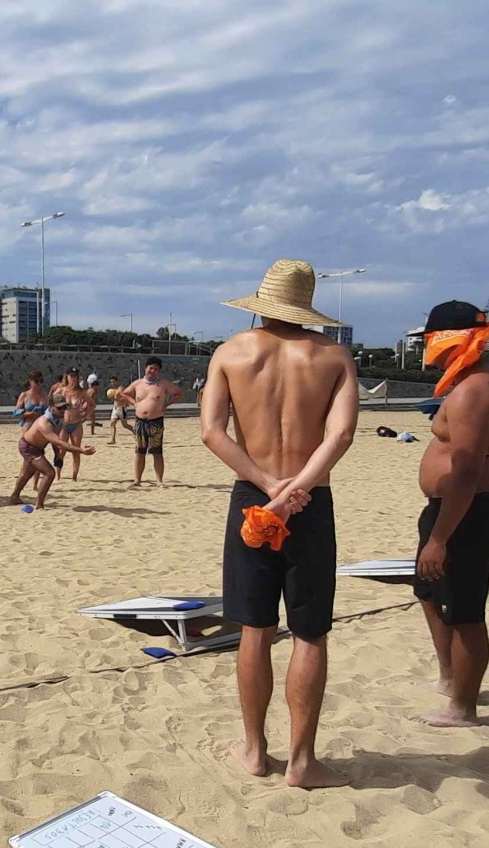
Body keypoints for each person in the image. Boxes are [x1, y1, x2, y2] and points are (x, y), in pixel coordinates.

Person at [203, 258, 358, 788]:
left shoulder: (231, 353)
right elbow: (338, 437)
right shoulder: (334, 356)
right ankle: (302, 762)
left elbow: (212, 433)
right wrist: (298, 487)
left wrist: (269, 488)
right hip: (311, 500)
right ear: (306, 305)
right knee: (310, 633)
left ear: (261, 304)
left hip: (254, 493)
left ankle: (253, 749)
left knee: (255, 627)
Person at [411, 302, 489, 727]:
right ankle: (452, 678)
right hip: (456, 508)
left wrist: (439, 537)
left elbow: (468, 469)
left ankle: (464, 706)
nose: (426, 348)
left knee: (465, 609)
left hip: (468, 510)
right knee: (430, 593)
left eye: (429, 338)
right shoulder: (481, 381)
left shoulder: (476, 389)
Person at [9, 398, 96, 509]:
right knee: (49, 473)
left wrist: (57, 455)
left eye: (65, 407)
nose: (62, 410)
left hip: (36, 447)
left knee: (27, 473)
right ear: (51, 407)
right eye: (59, 408)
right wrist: (80, 450)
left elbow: (56, 442)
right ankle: (39, 505)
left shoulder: (58, 420)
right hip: (28, 447)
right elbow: (58, 442)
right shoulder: (44, 422)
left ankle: (14, 497)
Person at [120, 357, 185, 486]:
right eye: (151, 368)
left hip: (156, 421)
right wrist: (135, 403)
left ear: (159, 371)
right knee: (139, 451)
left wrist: (166, 404)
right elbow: (125, 393)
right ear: (146, 368)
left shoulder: (163, 384)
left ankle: (159, 480)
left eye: (156, 369)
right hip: (140, 421)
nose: (153, 371)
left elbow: (179, 394)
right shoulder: (138, 383)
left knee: (157, 451)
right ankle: (137, 480)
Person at [59, 367, 94, 482]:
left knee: (76, 450)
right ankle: (58, 475)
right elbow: (50, 400)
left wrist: (85, 415)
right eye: (71, 376)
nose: (74, 379)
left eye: (75, 376)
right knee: (61, 450)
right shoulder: (62, 390)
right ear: (67, 377)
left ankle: (74, 476)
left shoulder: (81, 392)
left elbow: (92, 404)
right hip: (64, 423)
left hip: (76, 424)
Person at [106, 376, 134, 445]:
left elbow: (124, 398)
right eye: (111, 382)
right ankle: (112, 440)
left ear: (116, 381)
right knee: (112, 423)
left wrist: (118, 399)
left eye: (113, 382)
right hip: (115, 408)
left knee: (125, 425)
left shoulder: (120, 389)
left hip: (122, 408)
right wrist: (112, 398)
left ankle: (135, 432)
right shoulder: (112, 390)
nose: (112, 383)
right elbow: (114, 400)